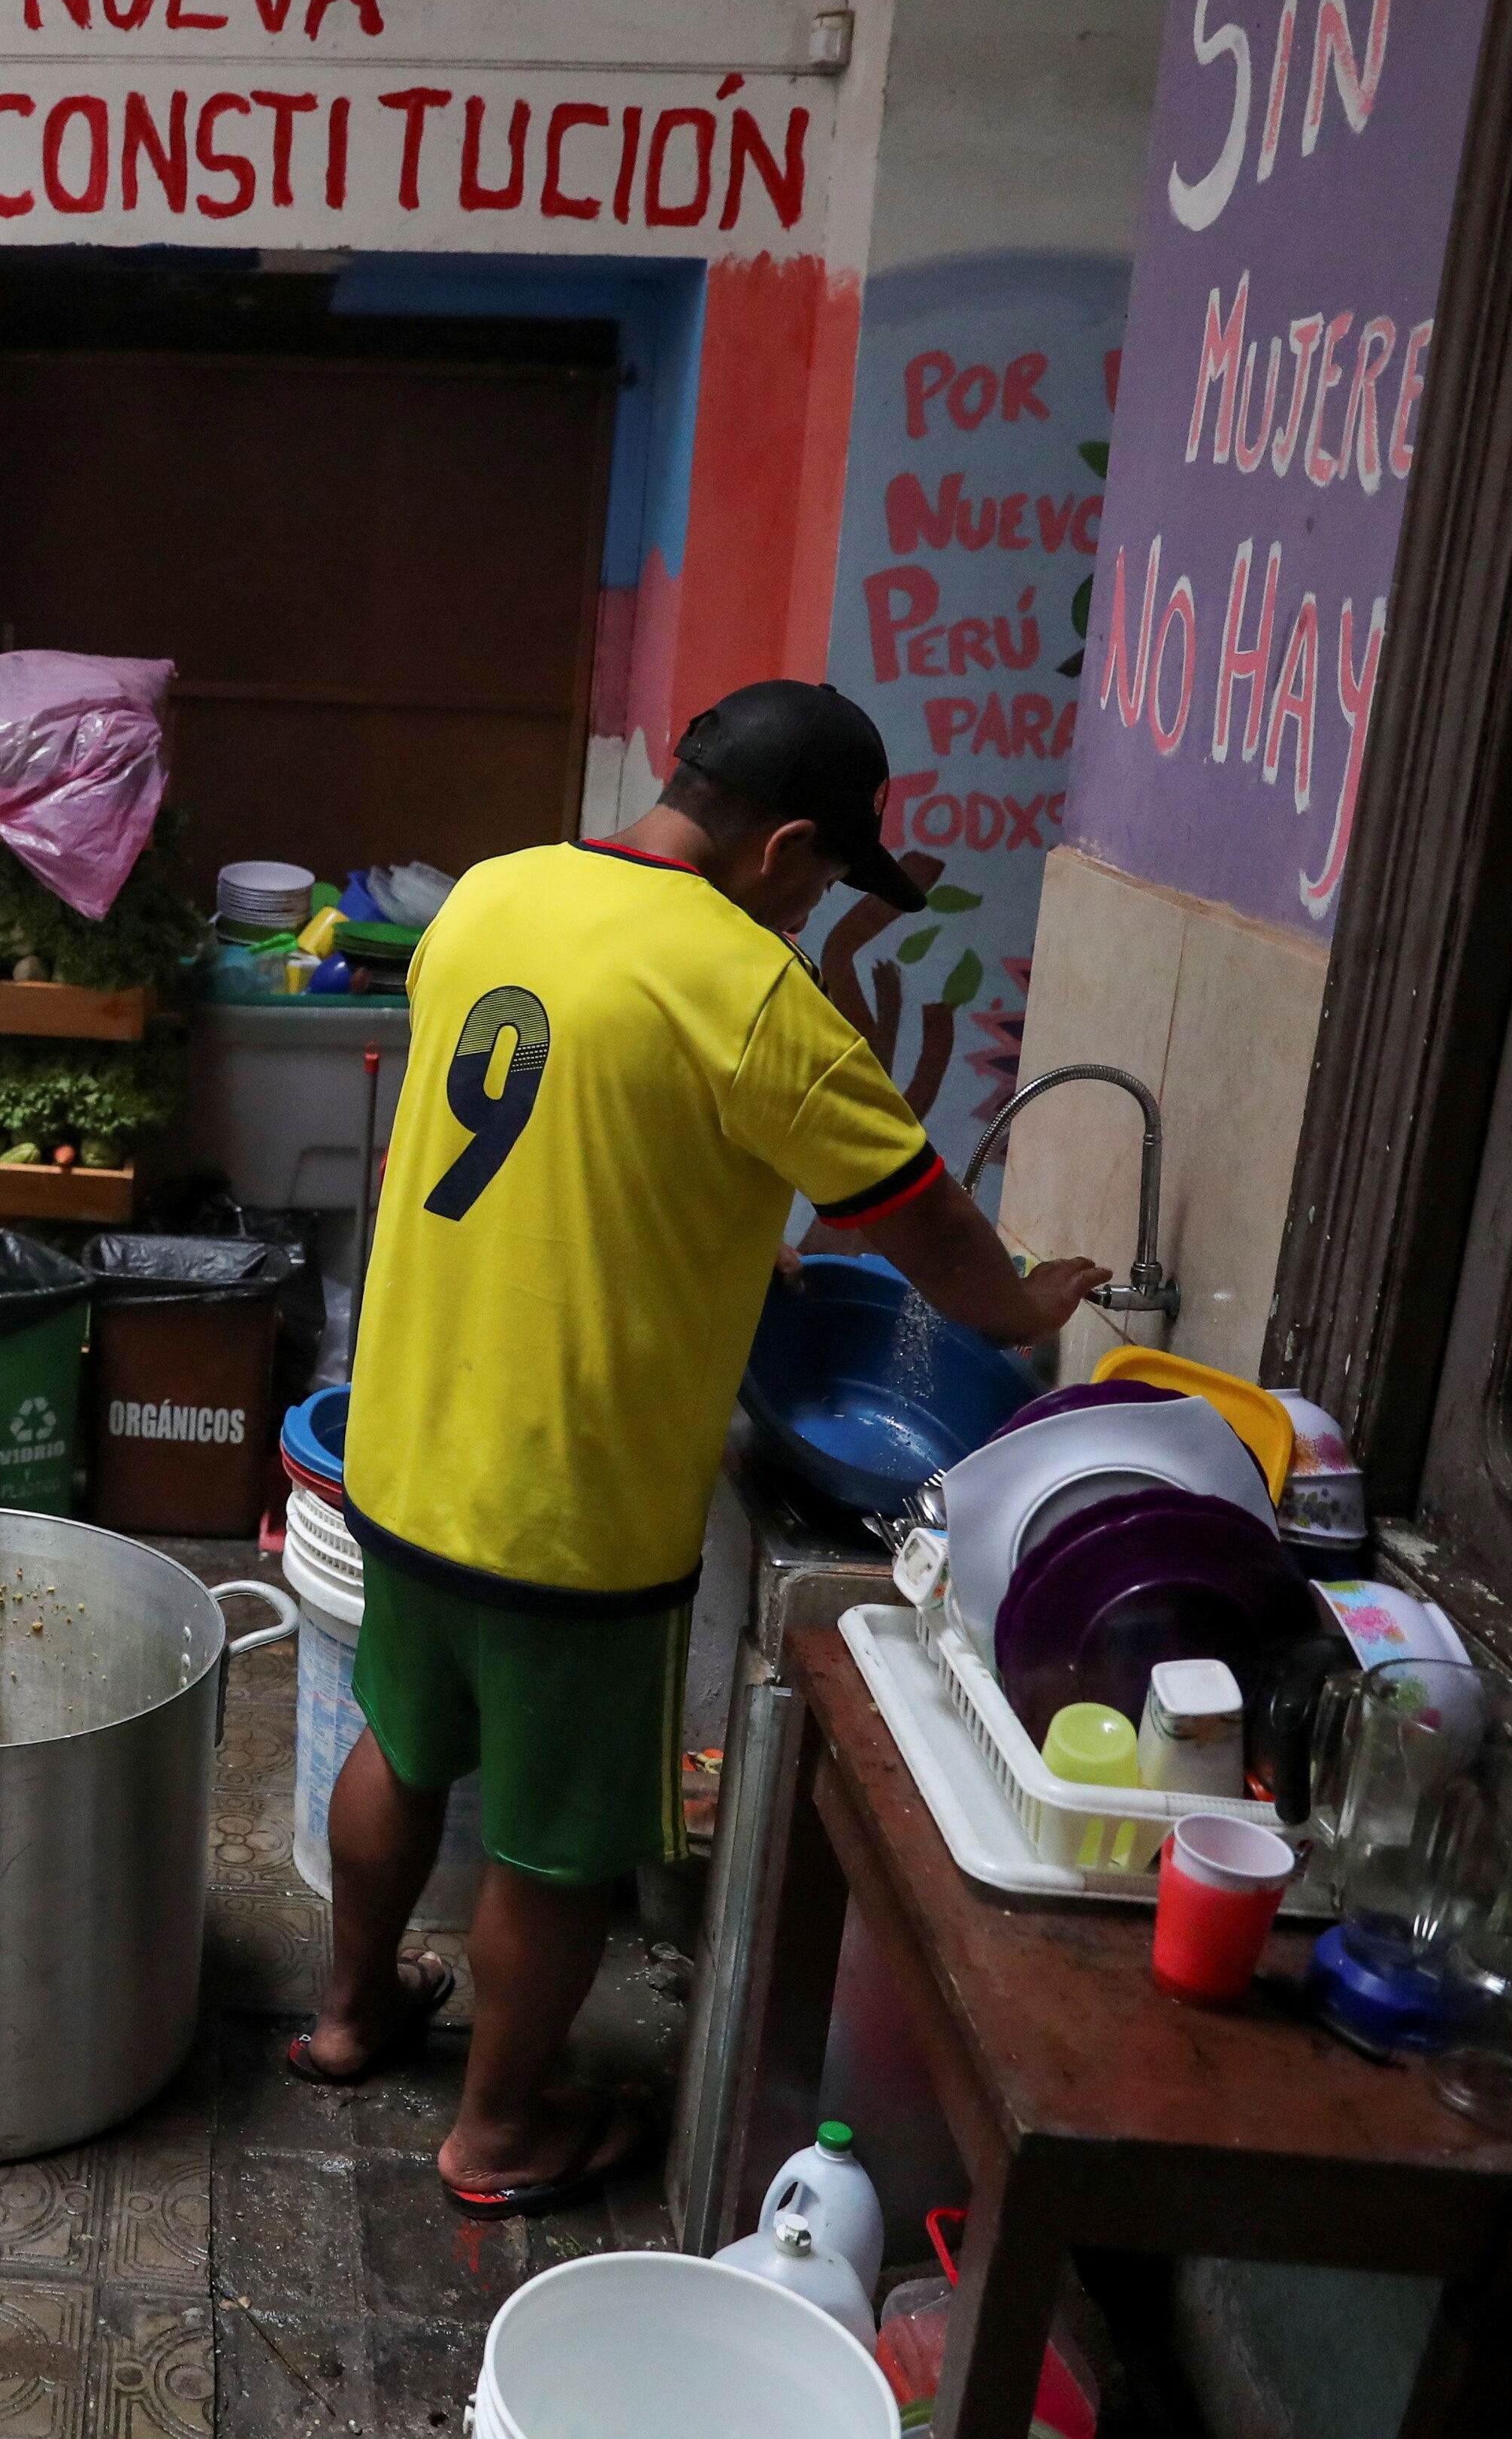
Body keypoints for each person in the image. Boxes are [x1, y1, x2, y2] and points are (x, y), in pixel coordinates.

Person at [301, 679, 1111, 2221]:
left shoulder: (494, 893)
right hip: (570, 1506)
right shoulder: (750, 991)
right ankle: (497, 2130)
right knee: (555, 1845)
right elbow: (926, 1220)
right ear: (783, 847)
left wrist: (724, 1246)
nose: (808, 910)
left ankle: (346, 2015)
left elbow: (563, 1140)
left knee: (401, 1737)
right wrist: (1026, 1297)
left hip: (411, 1441)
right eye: (818, 881)